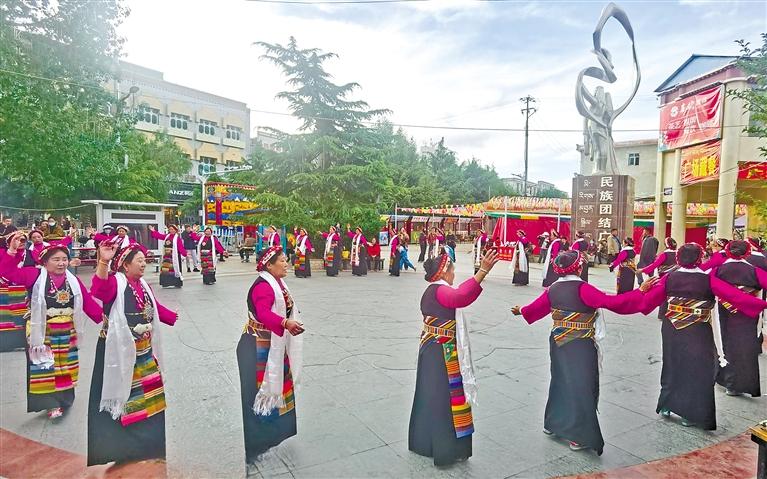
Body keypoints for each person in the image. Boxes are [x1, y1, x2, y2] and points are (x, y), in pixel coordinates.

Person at [511, 250, 654, 454]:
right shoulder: (583, 289)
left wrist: (521, 310)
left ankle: (553, 424)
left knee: (560, 380)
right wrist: (640, 292)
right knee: (581, 386)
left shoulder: (553, 288)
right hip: (579, 344)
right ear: (578, 268)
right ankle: (579, 436)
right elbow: (613, 303)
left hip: (558, 342)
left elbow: (536, 308)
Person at [639, 243, 767, 429]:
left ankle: (667, 404)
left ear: (678, 258)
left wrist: (639, 293)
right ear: (700, 258)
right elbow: (737, 297)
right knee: (697, 368)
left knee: (672, 363)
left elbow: (647, 302)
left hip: (672, 327)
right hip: (699, 330)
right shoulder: (709, 280)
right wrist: (760, 305)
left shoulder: (670, 278)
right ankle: (691, 414)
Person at [88, 241, 179, 466]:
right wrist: (103, 261)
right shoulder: (115, 283)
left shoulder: (142, 285)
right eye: (139, 261)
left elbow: (153, 308)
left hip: (144, 350)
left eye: (144, 260)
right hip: (119, 351)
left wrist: (172, 317)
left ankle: (148, 445)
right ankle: (125, 448)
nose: (144, 264)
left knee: (149, 397)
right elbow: (98, 289)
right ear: (125, 265)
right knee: (126, 398)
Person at [408, 249, 500, 466]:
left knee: (433, 396)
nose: (454, 274)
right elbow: (461, 297)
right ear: (443, 272)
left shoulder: (434, 290)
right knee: (444, 398)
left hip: (434, 349)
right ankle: (445, 448)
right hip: (440, 352)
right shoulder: (439, 290)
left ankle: (426, 442)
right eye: (452, 270)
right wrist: (482, 271)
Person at [0, 233, 103, 419]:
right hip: (43, 332)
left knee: (66, 366)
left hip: (67, 331)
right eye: (56, 260)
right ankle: (51, 404)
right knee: (46, 368)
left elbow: (87, 302)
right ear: (45, 262)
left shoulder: (73, 280)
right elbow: (7, 272)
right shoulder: (34, 275)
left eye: (64, 259)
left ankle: (65, 401)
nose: (61, 263)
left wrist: (107, 319)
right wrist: (12, 251)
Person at [237, 246, 304, 467]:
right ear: (269, 265)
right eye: (282, 260)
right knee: (258, 392)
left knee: (279, 386)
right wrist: (285, 323)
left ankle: (274, 434)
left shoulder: (278, 284)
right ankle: (258, 441)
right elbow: (264, 313)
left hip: (274, 342)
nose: (286, 263)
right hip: (258, 346)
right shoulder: (263, 287)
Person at [710, 240, 767, 397]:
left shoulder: (718, 270)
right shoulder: (755, 271)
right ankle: (743, 384)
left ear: (727, 251)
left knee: (725, 344)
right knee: (745, 347)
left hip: (724, 313)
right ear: (747, 253)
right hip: (748, 314)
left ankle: (725, 380)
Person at [0, 231, 28, 352]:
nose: (20, 242)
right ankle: (5, 344)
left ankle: (20, 342)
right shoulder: (3, 252)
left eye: (22, 240)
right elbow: (4, 270)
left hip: (22, 291)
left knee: (22, 317)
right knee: (4, 318)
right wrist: (12, 250)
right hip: (4, 291)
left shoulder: (30, 253)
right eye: (16, 239)